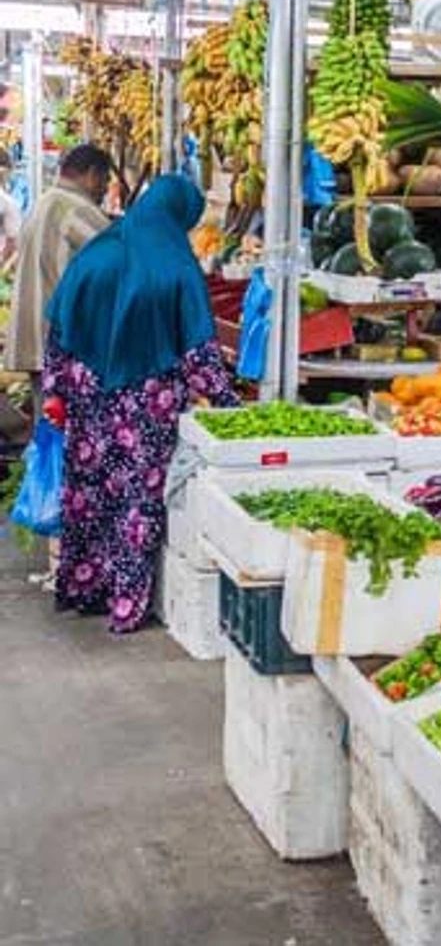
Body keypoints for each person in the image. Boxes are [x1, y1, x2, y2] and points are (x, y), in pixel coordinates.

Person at [44, 175, 238, 633]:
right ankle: (125, 604)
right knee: (136, 500)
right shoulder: (176, 264)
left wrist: (60, 387)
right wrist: (230, 406)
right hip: (146, 405)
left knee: (88, 491)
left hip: (88, 394)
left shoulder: (97, 251)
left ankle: (85, 588)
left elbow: (58, 328)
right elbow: (198, 354)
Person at [4, 144, 112, 377]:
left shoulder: (44, 202)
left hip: (37, 343)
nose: (105, 190)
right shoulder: (77, 209)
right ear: (93, 174)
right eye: (105, 181)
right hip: (63, 348)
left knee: (46, 412)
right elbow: (115, 268)